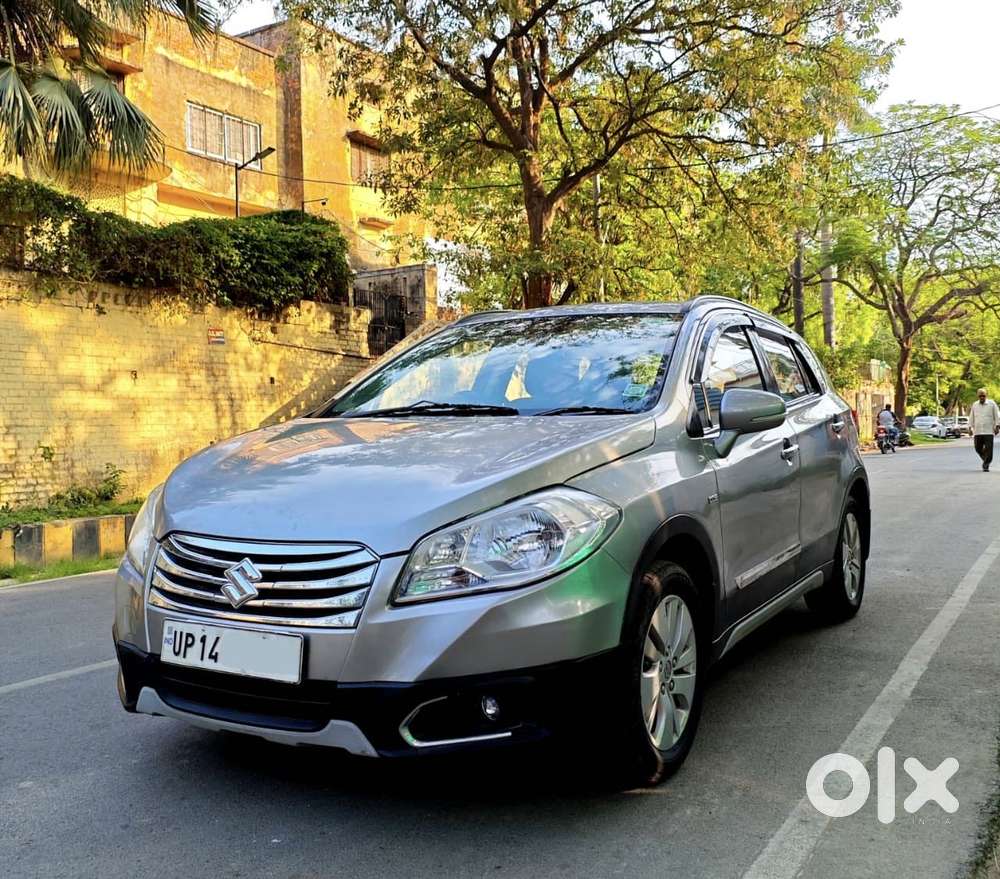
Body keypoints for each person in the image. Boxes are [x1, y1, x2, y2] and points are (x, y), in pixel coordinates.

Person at [969, 387, 1000, 471]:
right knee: (977, 448)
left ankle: (986, 465)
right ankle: (986, 459)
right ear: (978, 396)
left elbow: (997, 416)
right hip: (978, 431)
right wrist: (970, 427)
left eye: (983, 396)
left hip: (989, 431)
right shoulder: (975, 404)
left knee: (989, 449)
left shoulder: (992, 404)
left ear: (986, 395)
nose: (982, 397)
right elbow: (971, 416)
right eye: (980, 396)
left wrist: (997, 426)